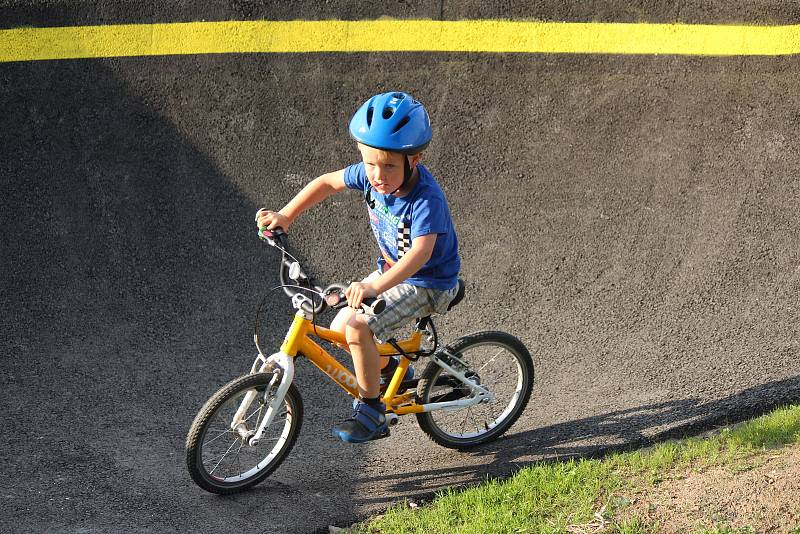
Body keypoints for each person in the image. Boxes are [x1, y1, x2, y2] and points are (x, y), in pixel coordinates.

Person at [255, 91, 461, 443]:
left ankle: (371, 411)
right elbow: (326, 183)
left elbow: (420, 255)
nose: (378, 175)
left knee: (358, 328)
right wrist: (286, 215)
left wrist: (373, 287)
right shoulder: (370, 177)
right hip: (392, 270)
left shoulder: (426, 199)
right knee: (339, 326)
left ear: (415, 159)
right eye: (370, 164)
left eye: (390, 166)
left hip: (429, 282)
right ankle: (391, 369)